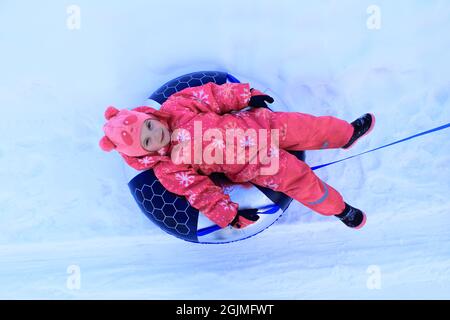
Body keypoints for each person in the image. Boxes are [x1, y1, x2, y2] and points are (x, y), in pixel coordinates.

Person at [99, 82, 375, 230]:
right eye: (147, 140)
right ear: (143, 153)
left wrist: (246, 96)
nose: (154, 133)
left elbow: (213, 96)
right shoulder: (169, 169)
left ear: (148, 115)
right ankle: (340, 210)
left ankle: (346, 134)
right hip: (259, 165)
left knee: (312, 128)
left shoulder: (177, 107)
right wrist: (229, 216)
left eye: (148, 125)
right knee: (302, 183)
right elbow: (201, 193)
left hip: (263, 125)